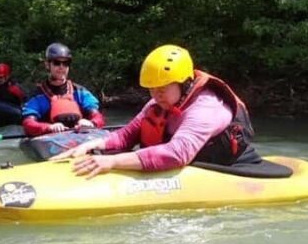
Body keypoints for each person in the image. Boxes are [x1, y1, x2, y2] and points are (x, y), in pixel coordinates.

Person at [52, 44, 259, 178]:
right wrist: (92, 145)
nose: (156, 94)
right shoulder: (160, 102)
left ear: (183, 83)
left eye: (163, 87)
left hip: (232, 168)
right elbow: (127, 135)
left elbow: (176, 154)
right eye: (152, 88)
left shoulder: (205, 107)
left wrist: (113, 161)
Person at [21, 43, 106, 137]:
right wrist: (49, 127)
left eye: (66, 63)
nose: (61, 67)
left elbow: (98, 117)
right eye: (57, 63)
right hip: (50, 139)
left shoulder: (80, 92)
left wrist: (92, 123)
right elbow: (28, 124)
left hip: (80, 137)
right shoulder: (37, 96)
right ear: (47, 65)